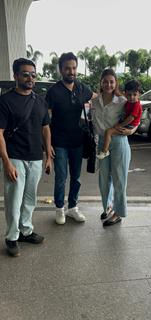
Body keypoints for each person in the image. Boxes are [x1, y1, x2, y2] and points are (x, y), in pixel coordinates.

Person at [0, 58, 52, 257]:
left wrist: (48, 155)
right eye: (25, 74)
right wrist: (6, 162)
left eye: (33, 74)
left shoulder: (39, 100)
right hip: (15, 157)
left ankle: (26, 230)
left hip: (35, 158)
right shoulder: (5, 101)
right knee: (14, 200)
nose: (30, 78)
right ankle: (12, 237)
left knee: (30, 198)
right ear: (15, 76)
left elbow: (46, 128)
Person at [46, 52, 96, 225]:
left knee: (76, 177)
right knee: (61, 177)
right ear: (61, 70)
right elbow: (46, 120)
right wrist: (47, 145)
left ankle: (73, 207)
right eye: (67, 68)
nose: (71, 71)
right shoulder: (53, 92)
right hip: (59, 142)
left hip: (78, 141)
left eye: (74, 68)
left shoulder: (82, 88)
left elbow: (97, 99)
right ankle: (59, 208)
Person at [92, 69, 137, 227]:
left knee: (119, 179)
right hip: (102, 143)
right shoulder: (95, 101)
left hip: (119, 141)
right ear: (101, 82)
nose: (108, 84)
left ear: (116, 83)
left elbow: (136, 115)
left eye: (111, 81)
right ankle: (109, 206)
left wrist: (132, 130)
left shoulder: (123, 101)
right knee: (104, 179)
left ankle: (119, 213)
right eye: (105, 81)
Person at [97, 79, 142, 159]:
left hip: (128, 126)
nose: (131, 97)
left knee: (109, 132)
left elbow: (131, 118)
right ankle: (105, 150)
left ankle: (104, 151)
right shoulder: (126, 100)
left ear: (139, 94)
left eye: (134, 95)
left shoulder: (136, 104)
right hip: (126, 125)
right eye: (129, 95)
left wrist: (120, 125)